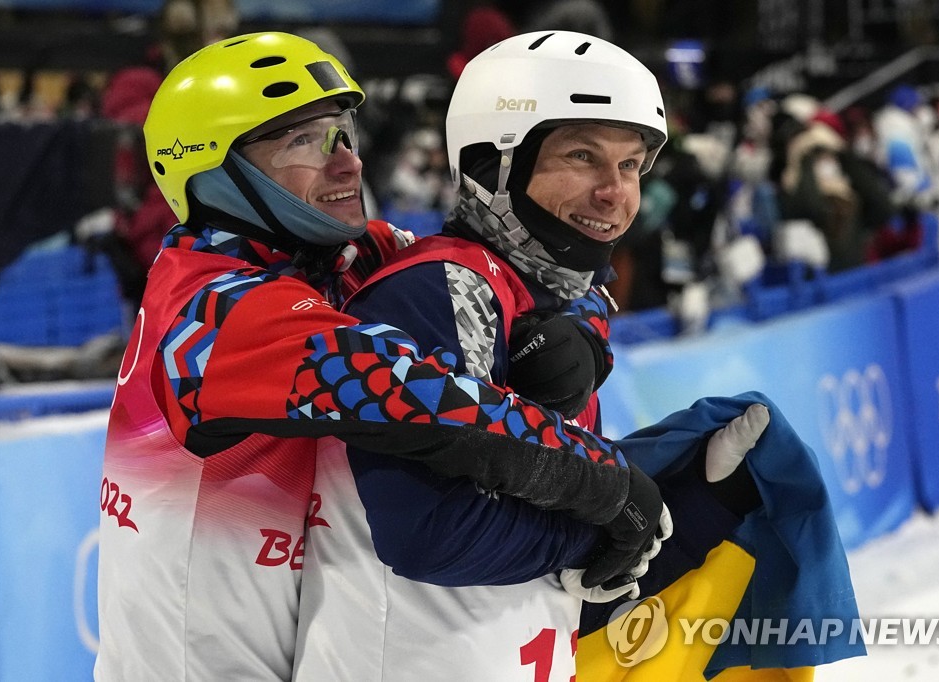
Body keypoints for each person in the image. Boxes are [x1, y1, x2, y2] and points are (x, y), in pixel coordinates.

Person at [94, 31, 675, 681]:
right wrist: (608, 488)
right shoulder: (214, 313)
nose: (347, 164)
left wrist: (585, 329)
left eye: (343, 133)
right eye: (302, 142)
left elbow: (528, 261)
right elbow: (435, 403)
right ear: (216, 174)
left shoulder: (331, 255)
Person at [292, 31, 771, 681]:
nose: (615, 192)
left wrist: (682, 506)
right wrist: (602, 528)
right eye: (583, 155)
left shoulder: (544, 299)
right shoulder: (440, 289)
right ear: (496, 163)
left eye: (631, 166)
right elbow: (428, 531)